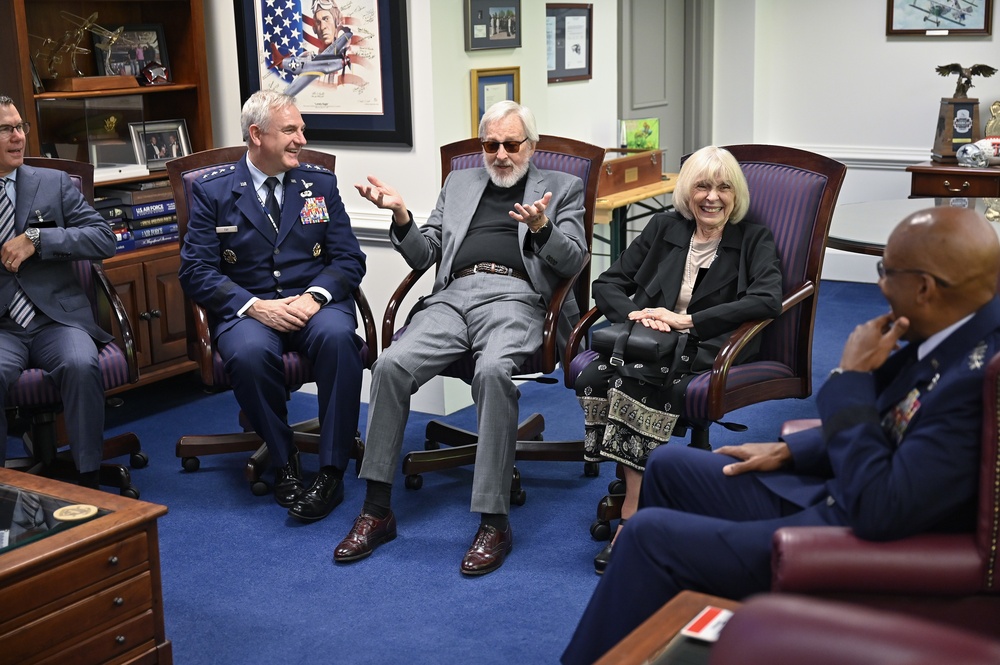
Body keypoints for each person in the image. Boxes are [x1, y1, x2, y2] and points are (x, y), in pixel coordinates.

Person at [562, 205, 1000, 664]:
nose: (879, 285)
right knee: (669, 466)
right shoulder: (954, 331)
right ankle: (667, 638)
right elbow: (894, 420)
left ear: (925, 289)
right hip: (835, 483)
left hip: (849, 529)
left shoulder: (977, 378)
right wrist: (794, 448)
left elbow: (884, 506)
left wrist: (849, 375)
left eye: (885, 272)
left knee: (649, 535)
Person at [336, 100, 588, 575]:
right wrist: (401, 216)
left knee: (492, 371)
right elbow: (423, 253)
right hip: (453, 297)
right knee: (389, 365)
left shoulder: (562, 187)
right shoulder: (460, 182)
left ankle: (494, 521)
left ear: (530, 147)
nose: (501, 154)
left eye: (512, 144)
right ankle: (376, 510)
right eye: (491, 145)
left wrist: (541, 226)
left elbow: (573, 262)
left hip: (516, 298)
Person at [577, 145, 782, 575]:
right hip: (654, 343)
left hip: (713, 346)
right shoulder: (664, 227)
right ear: (687, 192)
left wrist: (687, 321)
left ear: (736, 194)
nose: (713, 197)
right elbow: (608, 282)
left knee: (632, 379)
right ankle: (644, 478)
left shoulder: (752, 238)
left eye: (724, 187)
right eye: (703, 186)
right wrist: (638, 315)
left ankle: (632, 516)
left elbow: (766, 299)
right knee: (597, 373)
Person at [178, 90, 366, 523]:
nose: (302, 138)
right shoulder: (214, 191)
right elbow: (196, 271)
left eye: (301, 128)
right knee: (247, 353)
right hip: (249, 307)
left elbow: (349, 258)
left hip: (313, 302)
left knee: (339, 339)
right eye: (290, 130)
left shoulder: (319, 183)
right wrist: (254, 306)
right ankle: (285, 463)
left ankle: (332, 472)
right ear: (256, 135)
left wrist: (315, 296)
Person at [0, 95, 117, 488]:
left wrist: (38, 237)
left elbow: (104, 239)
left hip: (57, 320)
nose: (18, 137)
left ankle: (88, 482)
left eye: (21, 127)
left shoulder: (52, 183)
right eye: (6, 130)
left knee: (81, 365)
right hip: (3, 328)